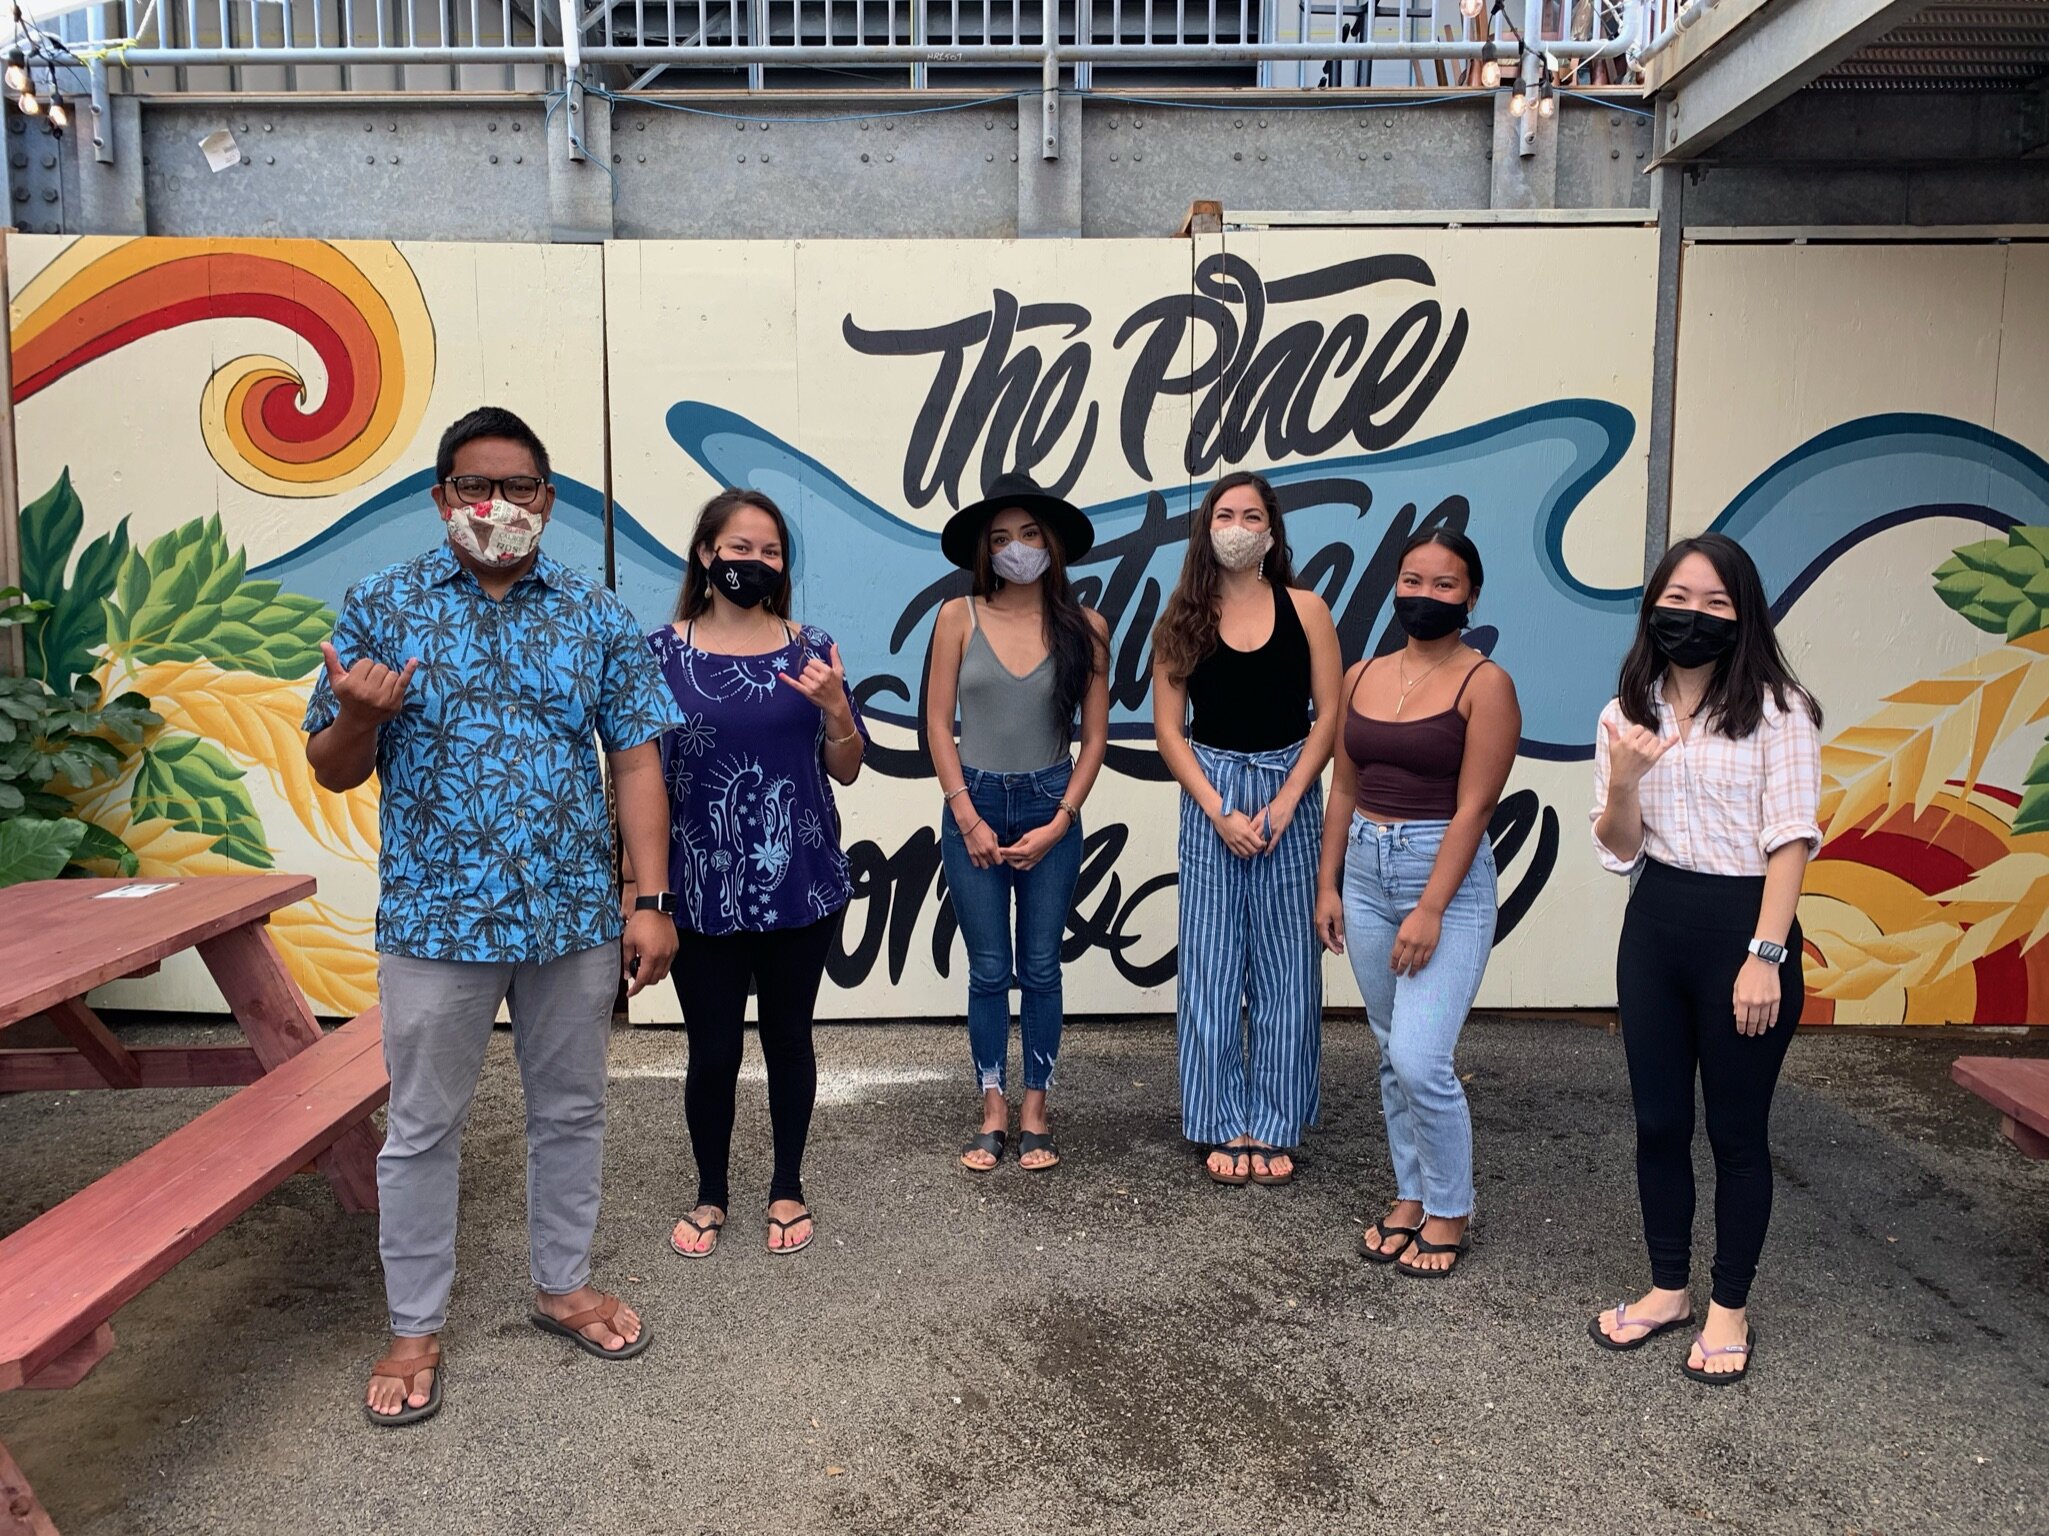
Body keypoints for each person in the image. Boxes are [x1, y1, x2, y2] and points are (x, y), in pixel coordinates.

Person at [306, 405, 679, 1428]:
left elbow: (636, 759)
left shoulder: (595, 613)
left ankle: (563, 1285)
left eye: (518, 488)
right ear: (442, 498)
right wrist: (359, 718)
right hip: (437, 922)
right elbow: (331, 768)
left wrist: (650, 899)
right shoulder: (382, 606)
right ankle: (413, 1326)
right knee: (423, 1127)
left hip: (572, 919)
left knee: (572, 1111)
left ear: (547, 501)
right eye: (475, 486)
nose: (496, 505)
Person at [1587, 532, 1821, 1385]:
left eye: (1716, 602)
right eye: (1678, 599)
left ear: (1743, 614)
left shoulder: (1780, 710)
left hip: (1743, 928)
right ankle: (1667, 1289)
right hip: (1655, 923)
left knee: (1735, 1130)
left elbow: (1790, 839)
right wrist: (1622, 781)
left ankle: (1729, 1305)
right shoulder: (1625, 712)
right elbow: (1618, 848)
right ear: (1652, 605)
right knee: (1657, 1121)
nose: (1694, 615)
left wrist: (1764, 955)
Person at [635, 488, 866, 1263]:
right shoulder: (658, 653)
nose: (755, 563)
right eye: (739, 548)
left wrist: (837, 711)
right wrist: (641, 890)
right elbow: (639, 778)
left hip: (801, 878)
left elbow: (846, 766)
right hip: (699, 889)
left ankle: (787, 1186)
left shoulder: (813, 648)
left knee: (789, 1038)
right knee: (712, 1050)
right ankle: (711, 1192)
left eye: (770, 551)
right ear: (706, 553)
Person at [1314, 530, 1520, 1279]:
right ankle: (1412, 1194)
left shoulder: (1485, 685)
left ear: (1470, 596)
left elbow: (1475, 808)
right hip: (1365, 871)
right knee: (1388, 1048)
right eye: (1412, 581)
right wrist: (1328, 882)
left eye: (1443, 584)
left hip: (1443, 876)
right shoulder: (1362, 673)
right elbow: (1343, 785)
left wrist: (1430, 907)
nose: (1424, 596)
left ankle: (1450, 1208)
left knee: (1419, 1056)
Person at [1152, 471, 1342, 1187]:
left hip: (1290, 788)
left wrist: (1291, 798)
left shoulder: (1307, 610)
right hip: (1212, 794)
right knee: (1209, 963)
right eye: (1224, 515)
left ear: (1271, 530)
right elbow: (1168, 731)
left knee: (1288, 967)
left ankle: (1275, 1119)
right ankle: (1219, 1117)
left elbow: (1329, 715)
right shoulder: (1181, 617)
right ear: (1206, 528)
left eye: (1251, 515)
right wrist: (1217, 809)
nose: (1237, 527)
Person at [925, 472, 1109, 1173]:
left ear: (1052, 543)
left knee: (1039, 967)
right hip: (971, 802)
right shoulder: (957, 616)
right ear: (984, 551)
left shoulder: (1086, 627)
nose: (1017, 549)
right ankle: (992, 1108)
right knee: (987, 969)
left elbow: (1094, 739)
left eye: (1029, 534)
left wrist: (1061, 820)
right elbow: (937, 725)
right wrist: (965, 814)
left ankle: (1036, 1108)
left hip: (1048, 804)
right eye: (1001, 538)